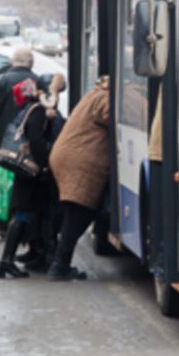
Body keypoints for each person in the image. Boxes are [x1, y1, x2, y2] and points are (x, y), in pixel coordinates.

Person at [47, 76, 112, 281]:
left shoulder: (94, 94)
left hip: (68, 157)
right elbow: (118, 118)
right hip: (80, 162)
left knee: (73, 211)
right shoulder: (105, 99)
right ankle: (59, 267)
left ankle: (55, 260)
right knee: (79, 213)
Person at [0, 79, 53, 279]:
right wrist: (44, 164)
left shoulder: (28, 107)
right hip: (30, 172)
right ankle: (6, 261)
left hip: (24, 172)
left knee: (23, 214)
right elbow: (36, 140)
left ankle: (7, 261)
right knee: (22, 215)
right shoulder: (38, 111)